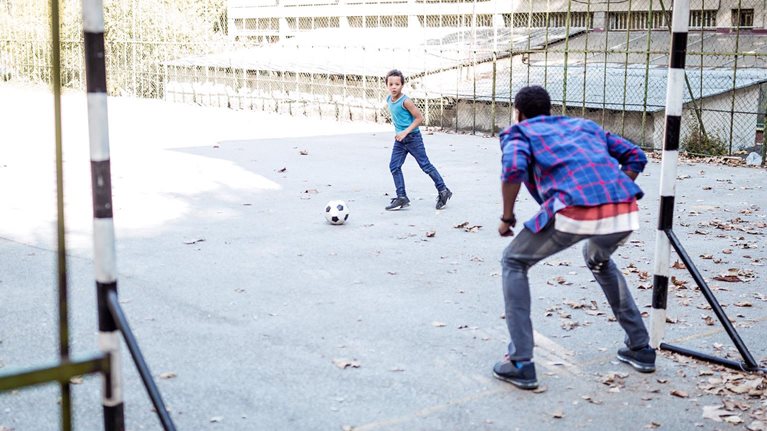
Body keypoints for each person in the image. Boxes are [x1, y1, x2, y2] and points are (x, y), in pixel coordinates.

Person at [493, 85, 654, 390]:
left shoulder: (520, 132)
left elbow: (513, 169)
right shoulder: (584, 125)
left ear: (518, 113)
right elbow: (635, 156)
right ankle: (640, 347)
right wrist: (612, 190)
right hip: (624, 210)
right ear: (549, 109)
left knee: (513, 260)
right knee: (598, 259)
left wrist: (507, 217)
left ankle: (521, 362)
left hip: (574, 210)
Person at [383, 69, 452, 211]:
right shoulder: (389, 99)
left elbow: (419, 118)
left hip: (413, 138)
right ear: (387, 85)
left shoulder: (406, 101)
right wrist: (399, 132)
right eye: (391, 84)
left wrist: (405, 132)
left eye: (397, 84)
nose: (394, 87)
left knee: (425, 165)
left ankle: (443, 190)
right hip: (400, 140)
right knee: (394, 166)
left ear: (402, 85)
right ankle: (401, 197)